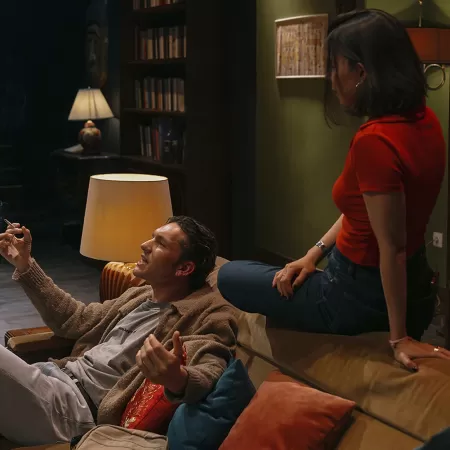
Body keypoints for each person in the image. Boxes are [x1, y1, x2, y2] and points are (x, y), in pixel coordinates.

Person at [218, 10, 450, 371]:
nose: (331, 78)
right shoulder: (424, 119)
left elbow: (393, 248)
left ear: (361, 72)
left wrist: (399, 338)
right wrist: (313, 254)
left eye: (334, 67)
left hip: (354, 295)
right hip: (415, 281)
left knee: (229, 275)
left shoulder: (375, 140)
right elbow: (363, 213)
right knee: (273, 274)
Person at [0, 216, 237, 446]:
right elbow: (74, 319)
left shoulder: (205, 314)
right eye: (152, 238)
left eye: (160, 244)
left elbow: (212, 367)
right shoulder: (141, 295)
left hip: (73, 410)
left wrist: (179, 378)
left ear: (184, 268)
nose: (145, 245)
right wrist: (25, 264)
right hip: (51, 377)